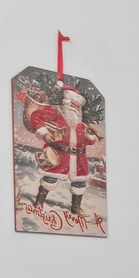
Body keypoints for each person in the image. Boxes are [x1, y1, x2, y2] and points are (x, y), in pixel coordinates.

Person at [26, 85, 100, 217]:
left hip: (79, 160)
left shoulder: (81, 124)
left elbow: (89, 142)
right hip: (59, 155)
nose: (76, 109)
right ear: (67, 102)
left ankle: (76, 208)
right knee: (49, 179)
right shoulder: (56, 113)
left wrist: (89, 134)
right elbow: (36, 116)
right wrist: (44, 133)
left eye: (78, 107)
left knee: (80, 183)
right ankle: (39, 202)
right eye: (74, 104)